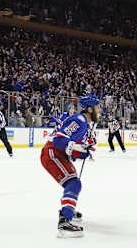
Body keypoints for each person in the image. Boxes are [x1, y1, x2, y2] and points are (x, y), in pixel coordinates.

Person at [40, 94, 100, 238]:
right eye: (98, 107)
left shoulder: (84, 124)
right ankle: (65, 221)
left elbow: (72, 152)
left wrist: (83, 152)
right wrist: (80, 148)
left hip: (58, 154)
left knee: (73, 183)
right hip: (52, 153)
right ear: (90, 109)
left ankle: (68, 209)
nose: (100, 110)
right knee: (73, 183)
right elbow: (58, 141)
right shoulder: (79, 120)